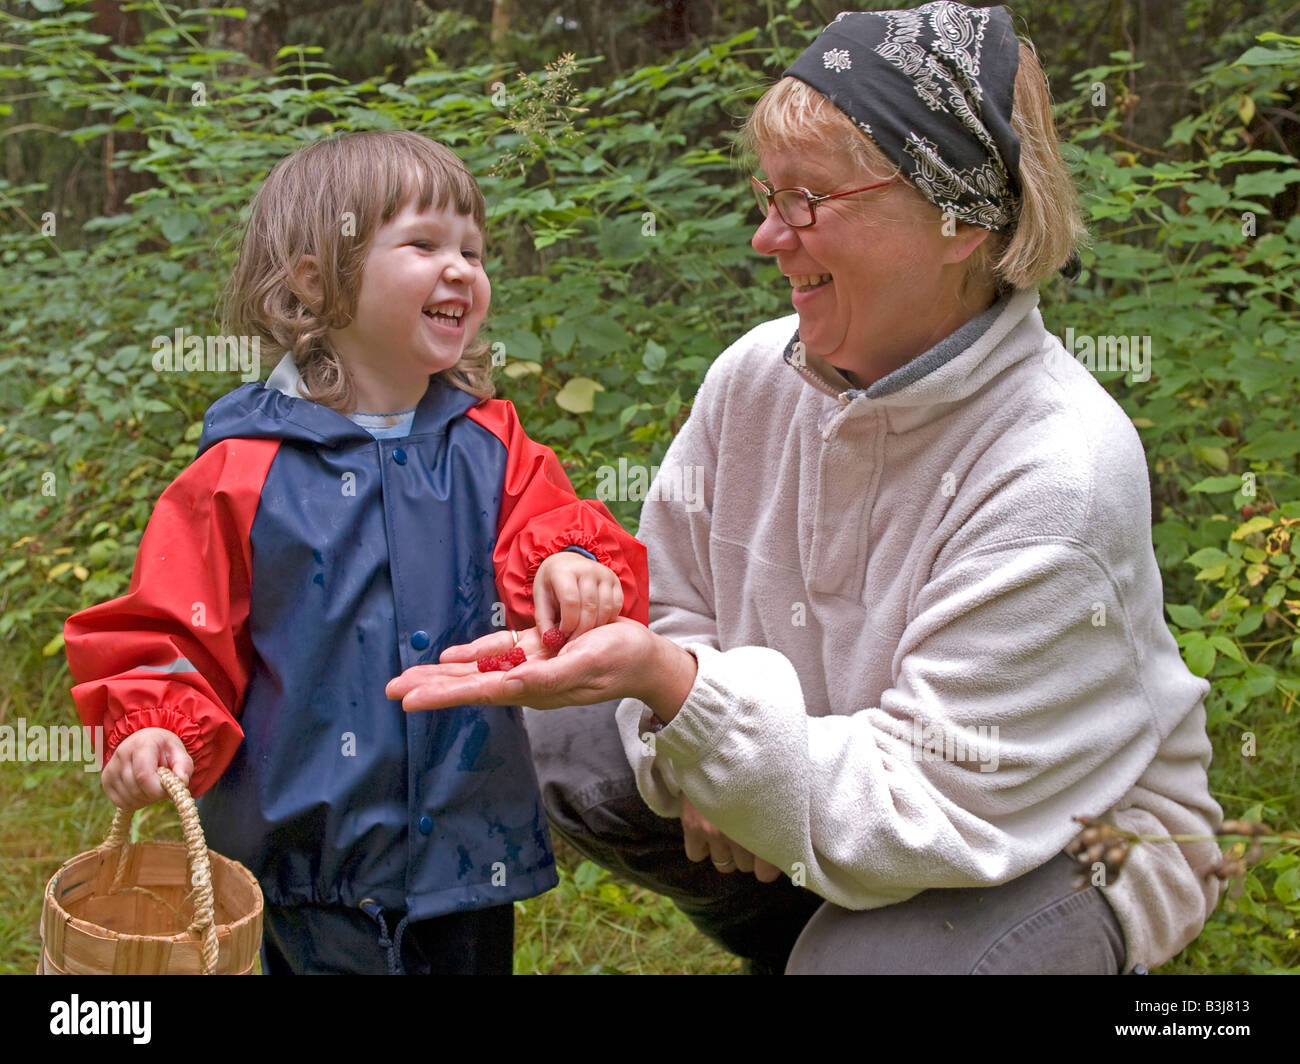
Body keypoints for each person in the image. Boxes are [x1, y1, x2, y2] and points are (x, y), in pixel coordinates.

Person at [387, 3, 1223, 974]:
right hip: (838, 773)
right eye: (768, 195)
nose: (765, 236)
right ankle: (809, 928)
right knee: (560, 731)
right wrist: (701, 748)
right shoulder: (756, 376)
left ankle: (874, 943)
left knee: (874, 962)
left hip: (1052, 829)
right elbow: (680, 601)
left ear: (957, 216)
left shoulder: (1056, 468)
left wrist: (698, 711)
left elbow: (926, 794)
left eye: (807, 201)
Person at [63, 130, 649, 975]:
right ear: (314, 280)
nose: (461, 269)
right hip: (308, 861)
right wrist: (154, 720)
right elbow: (175, 624)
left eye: (473, 250)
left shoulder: (490, 446)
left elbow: (550, 530)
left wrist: (570, 565)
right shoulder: (242, 469)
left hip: (466, 853)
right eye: (424, 244)